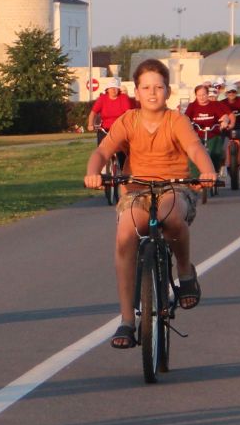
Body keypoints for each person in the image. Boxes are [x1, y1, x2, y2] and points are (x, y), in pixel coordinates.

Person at [83, 58, 219, 350]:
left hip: (175, 187)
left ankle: (184, 273)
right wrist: (93, 172)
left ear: (168, 91)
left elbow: (195, 147)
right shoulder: (128, 121)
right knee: (125, 235)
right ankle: (127, 320)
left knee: (170, 217)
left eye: (159, 86)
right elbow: (104, 150)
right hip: (137, 191)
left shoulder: (176, 120)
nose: (152, 92)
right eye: (146, 87)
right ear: (137, 91)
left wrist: (207, 171)